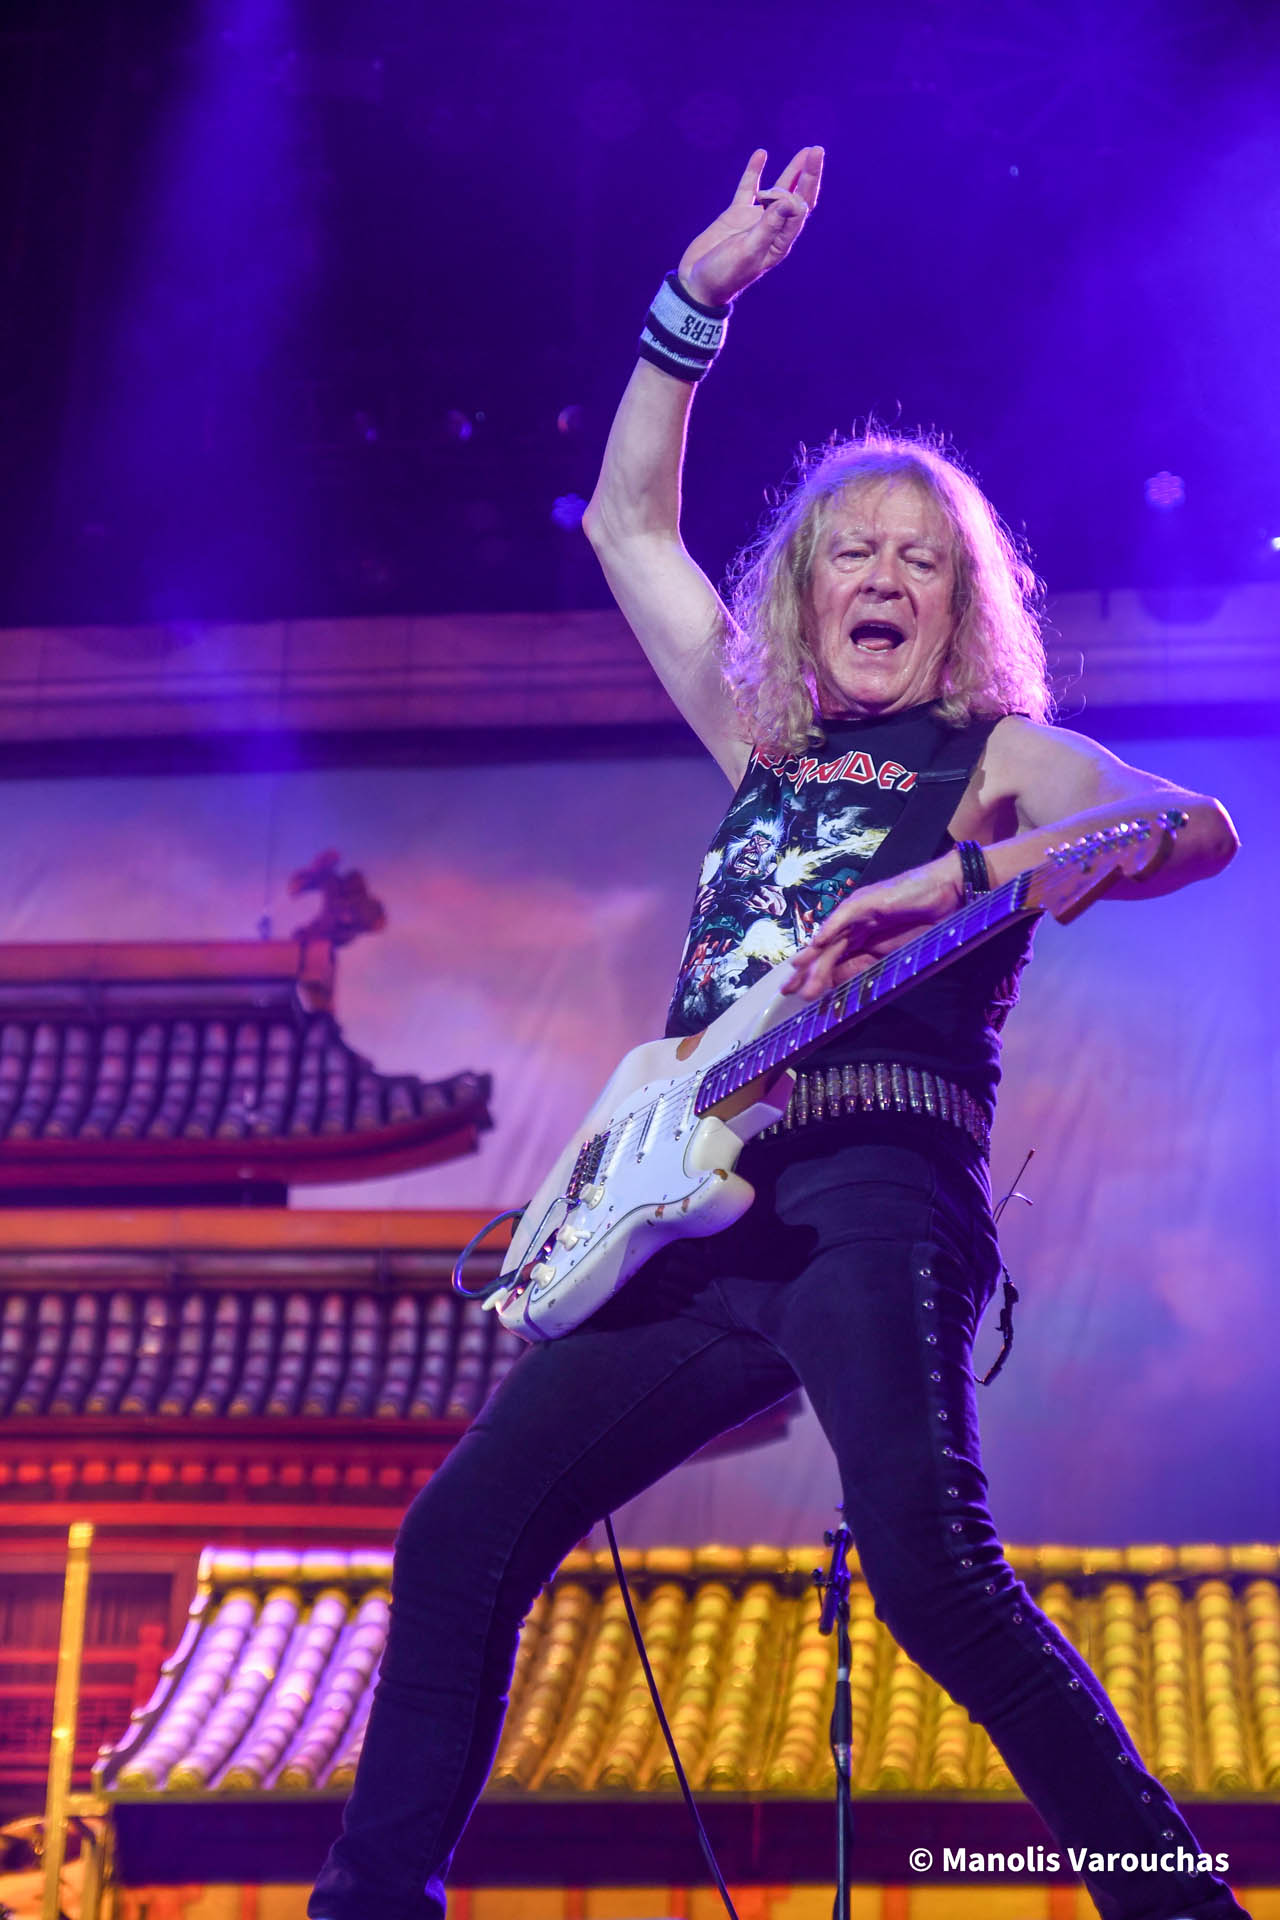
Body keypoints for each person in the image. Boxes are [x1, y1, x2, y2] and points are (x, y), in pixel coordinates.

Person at [310, 148, 1245, 1920]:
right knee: (459, 1539)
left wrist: (974, 873)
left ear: (961, 605)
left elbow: (1191, 827)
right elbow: (626, 529)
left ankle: (1177, 1904)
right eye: (852, 553)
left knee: (934, 1577)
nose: (885, 574)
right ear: (808, 592)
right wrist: (695, 300)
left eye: (921, 560)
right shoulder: (769, 749)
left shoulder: (995, 759)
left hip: (878, 1190)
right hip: (705, 1212)